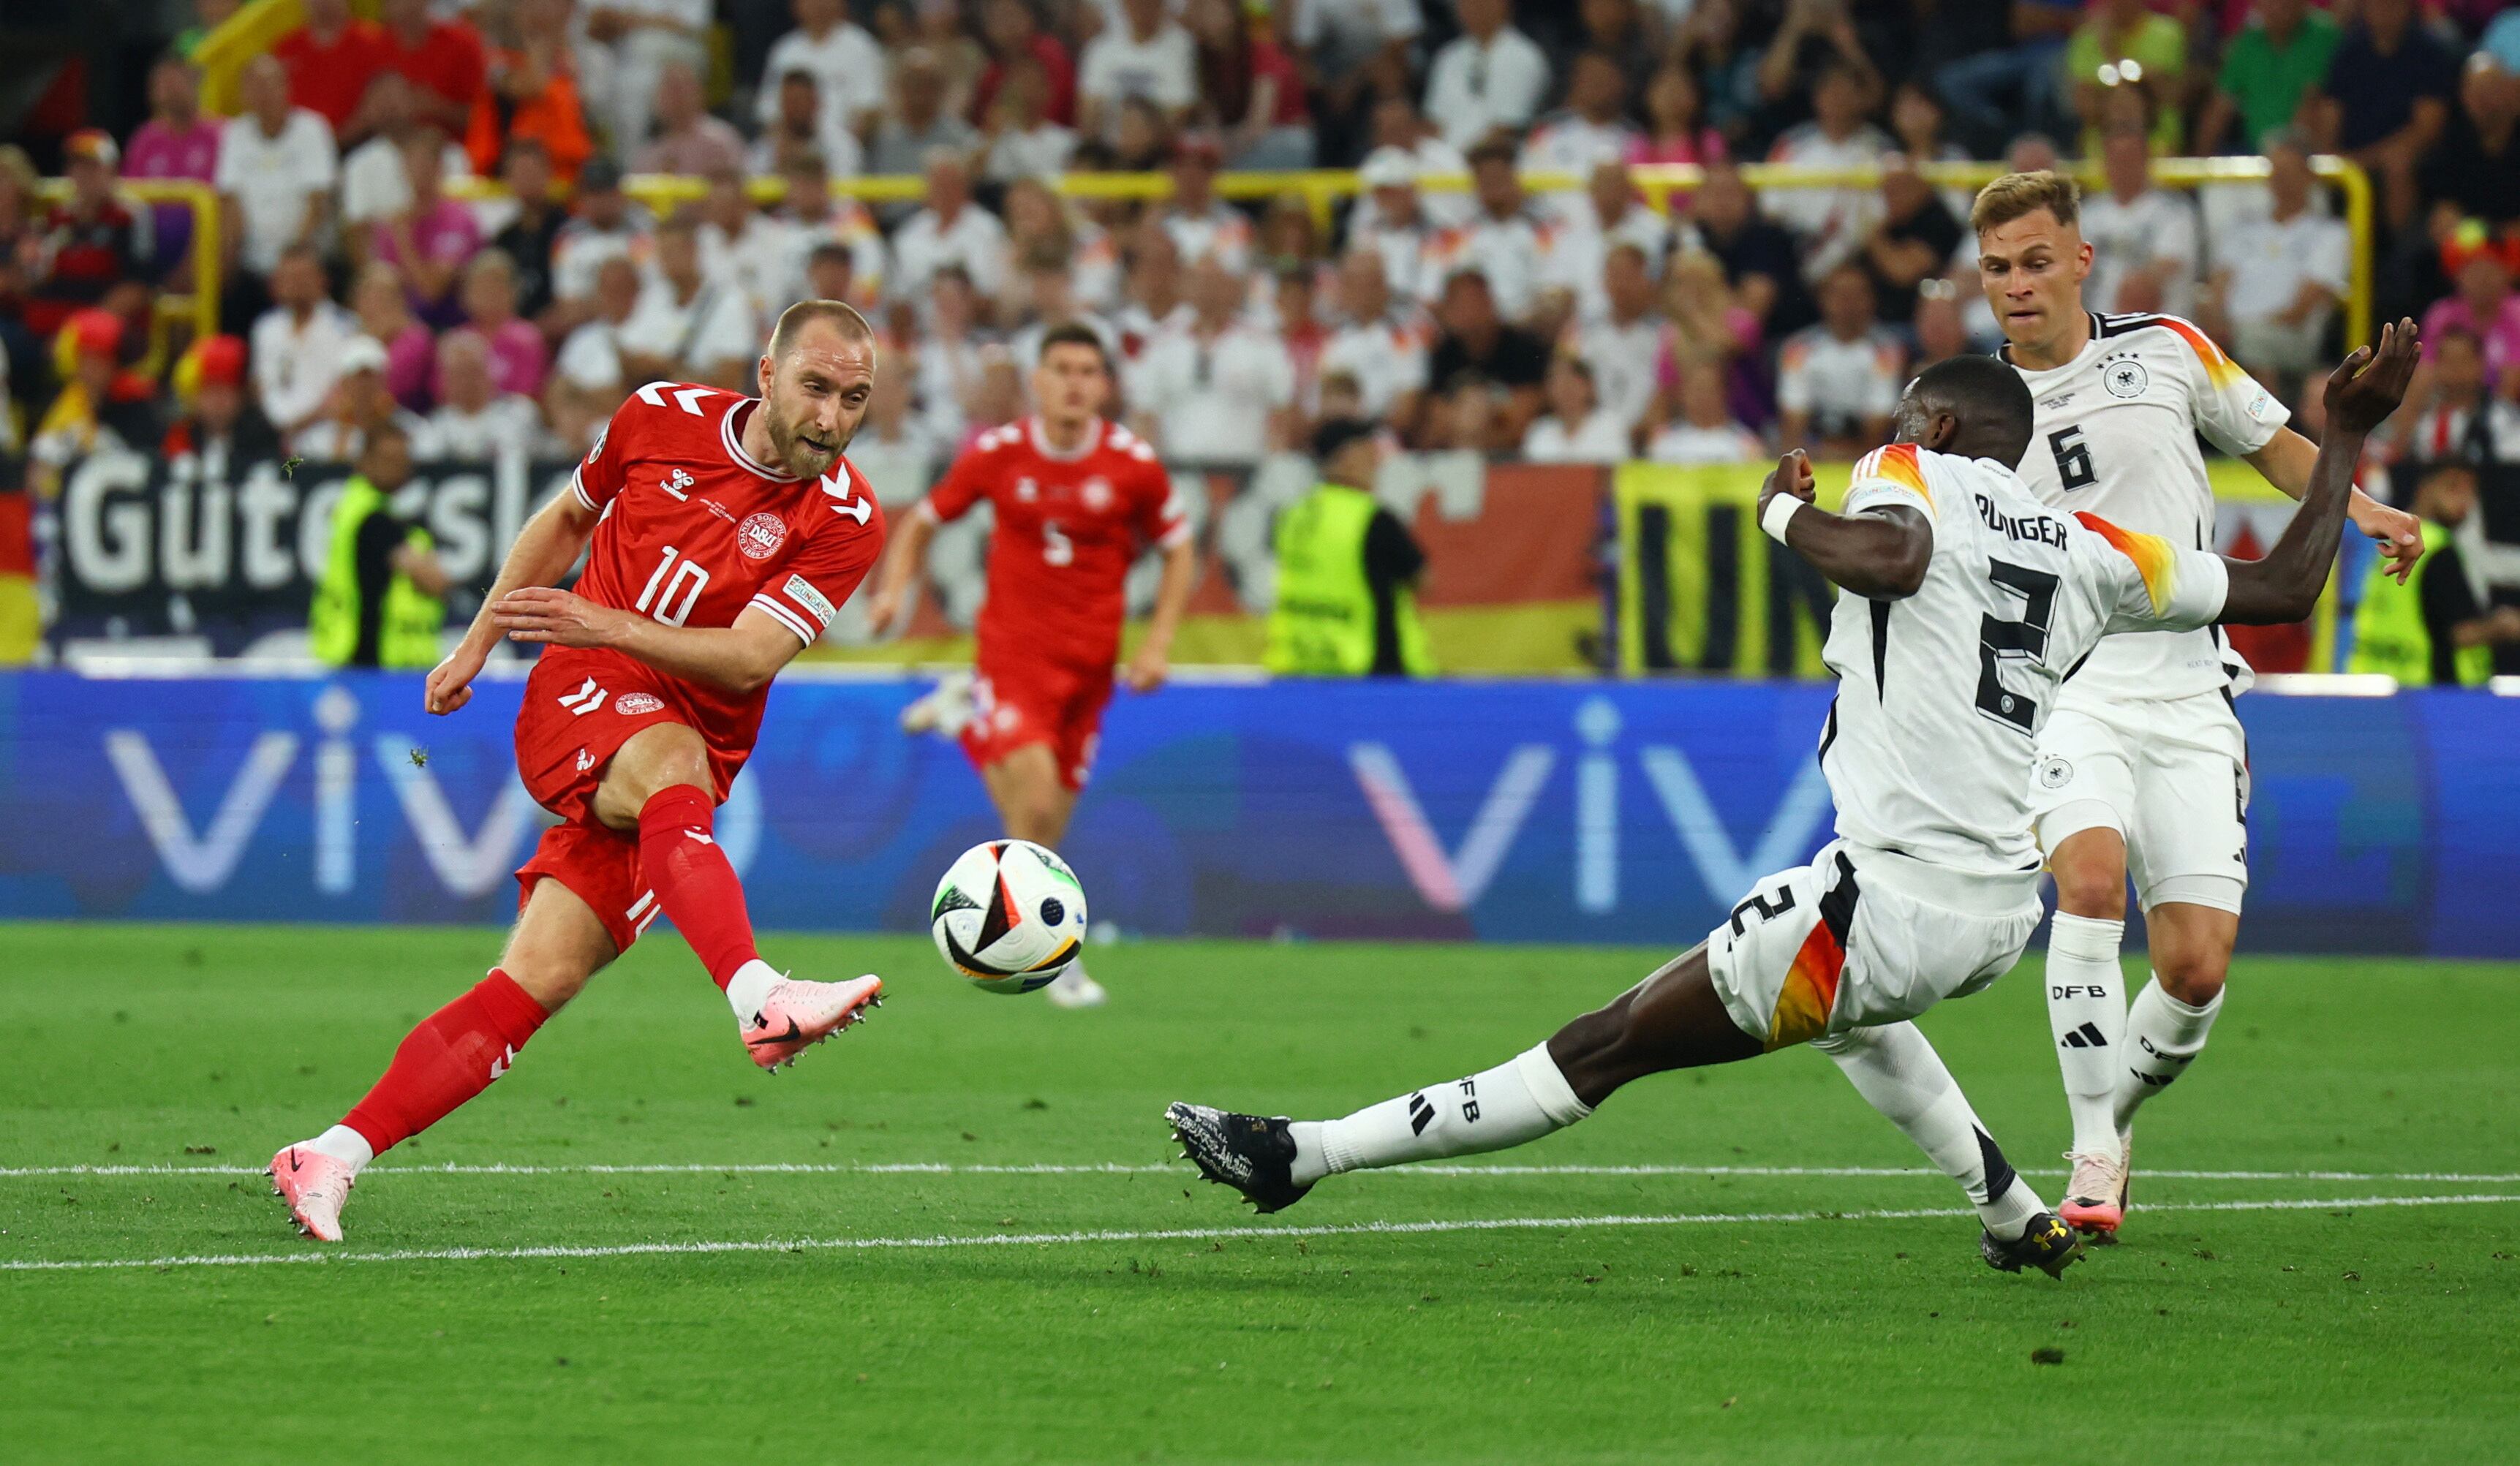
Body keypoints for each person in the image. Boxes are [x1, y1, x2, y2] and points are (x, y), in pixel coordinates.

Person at [1168, 330, 2421, 1275]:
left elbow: (1894, 557)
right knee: (1851, 1017)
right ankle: (2007, 1211)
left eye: (1899, 414)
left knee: (1607, 1045)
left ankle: (1304, 1156)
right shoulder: (2091, 548)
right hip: (1995, 917)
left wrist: (1783, 506)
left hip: (1883, 894)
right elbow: (2285, 584)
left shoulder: (1906, 470)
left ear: (1930, 418)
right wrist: (2347, 436)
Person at [268, 301, 894, 1244]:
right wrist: (480, 638)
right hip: (582, 692)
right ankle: (759, 996)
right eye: (816, 388)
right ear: (764, 374)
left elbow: (749, 661)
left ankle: (330, 1153)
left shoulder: (847, 517)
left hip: (685, 756)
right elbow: (567, 518)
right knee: (671, 759)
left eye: (855, 399)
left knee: (540, 976)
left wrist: (608, 619)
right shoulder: (658, 416)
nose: (832, 419)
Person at [1971, 170, 2423, 1239]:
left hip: (2185, 688)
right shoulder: (1967, 409)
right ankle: (2087, 1151)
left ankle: (2113, 1124)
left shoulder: (2168, 348)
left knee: (2191, 968)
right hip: (2064, 688)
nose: (2015, 286)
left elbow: (2268, 440)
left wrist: (2357, 506)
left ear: (2082, 260)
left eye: (2035, 261)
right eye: (1995, 268)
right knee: (2085, 886)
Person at [863, 325, 1196, 1010]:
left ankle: (961, 722)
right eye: (1062, 369)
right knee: (1036, 804)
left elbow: (1180, 548)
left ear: (1103, 385)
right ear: (1038, 382)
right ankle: (1060, 963)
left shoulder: (1132, 464)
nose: (1075, 383)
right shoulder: (998, 454)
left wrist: (1158, 642)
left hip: (1091, 668)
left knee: (1042, 826)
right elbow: (923, 520)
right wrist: (894, 587)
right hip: (1016, 655)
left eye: (1088, 371)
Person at [1265, 416, 1430, 677]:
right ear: (1347, 458)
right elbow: (1423, 579)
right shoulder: (1371, 518)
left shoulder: (1292, 515)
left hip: (1298, 666)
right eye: (1368, 450)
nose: (1376, 460)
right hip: (1366, 670)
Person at [2347, 458, 2520, 687]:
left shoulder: (2387, 539)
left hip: (2375, 679)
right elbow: (2460, 633)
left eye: (2471, 491)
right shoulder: (2436, 548)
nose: (2464, 500)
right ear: (2424, 488)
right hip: (2427, 690)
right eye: (2453, 487)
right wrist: (2502, 626)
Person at [308, 422, 453, 669]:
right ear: (364, 461)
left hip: (343, 649)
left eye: (401, 459)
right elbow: (432, 580)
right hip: (366, 656)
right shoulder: (375, 519)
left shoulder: (350, 506)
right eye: (387, 459)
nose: (397, 467)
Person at [1520, 354, 1629, 462]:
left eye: (1572, 381)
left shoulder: (1610, 426)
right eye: (1557, 381)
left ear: (1589, 386)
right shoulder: (1539, 432)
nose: (1566, 388)